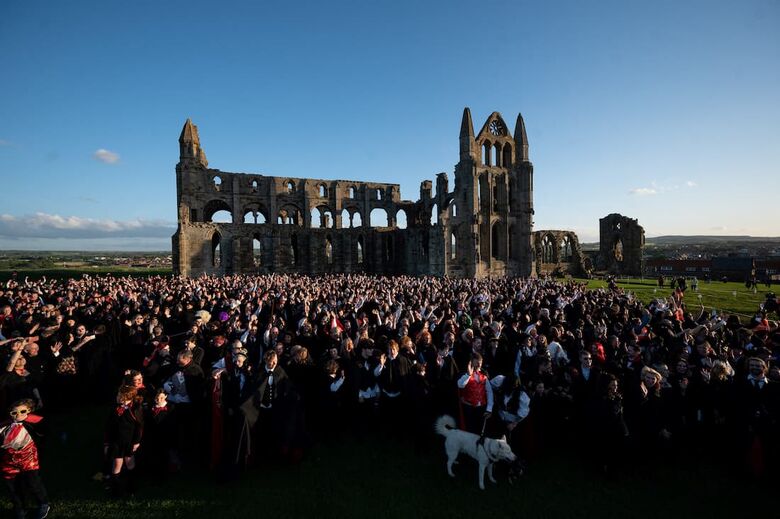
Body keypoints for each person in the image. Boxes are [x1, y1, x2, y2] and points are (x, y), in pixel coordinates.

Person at [0, 399, 50, 519]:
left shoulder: (32, 422)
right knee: (12, 486)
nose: (18, 415)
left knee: (33, 482)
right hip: (9, 459)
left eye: (23, 412)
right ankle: (20, 507)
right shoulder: (4, 425)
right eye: (14, 413)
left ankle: (43, 503)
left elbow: (44, 430)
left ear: (29, 411)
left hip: (28, 457)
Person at [104, 385, 142, 497]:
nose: (117, 397)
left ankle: (131, 488)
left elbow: (139, 427)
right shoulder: (114, 409)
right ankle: (115, 490)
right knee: (116, 465)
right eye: (118, 395)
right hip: (116, 443)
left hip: (129, 443)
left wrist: (136, 442)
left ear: (127, 398)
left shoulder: (135, 409)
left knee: (130, 464)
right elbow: (108, 427)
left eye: (120, 396)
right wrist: (106, 443)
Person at [457, 353, 493, 435]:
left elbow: (489, 392)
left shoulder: (484, 374)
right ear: (471, 362)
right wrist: (468, 374)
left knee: (481, 432)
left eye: (480, 363)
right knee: (470, 432)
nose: (479, 366)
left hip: (482, 408)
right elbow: (460, 385)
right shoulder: (465, 374)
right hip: (469, 408)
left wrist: (489, 409)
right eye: (477, 363)